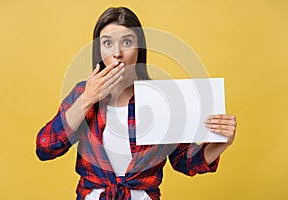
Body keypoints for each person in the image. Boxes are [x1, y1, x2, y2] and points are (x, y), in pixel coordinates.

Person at [36, 7, 237, 200]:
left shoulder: (162, 99)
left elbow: (184, 161)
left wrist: (221, 142)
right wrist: (88, 99)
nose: (117, 53)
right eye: (107, 43)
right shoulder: (82, 93)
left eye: (126, 42)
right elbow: (45, 148)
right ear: (98, 49)